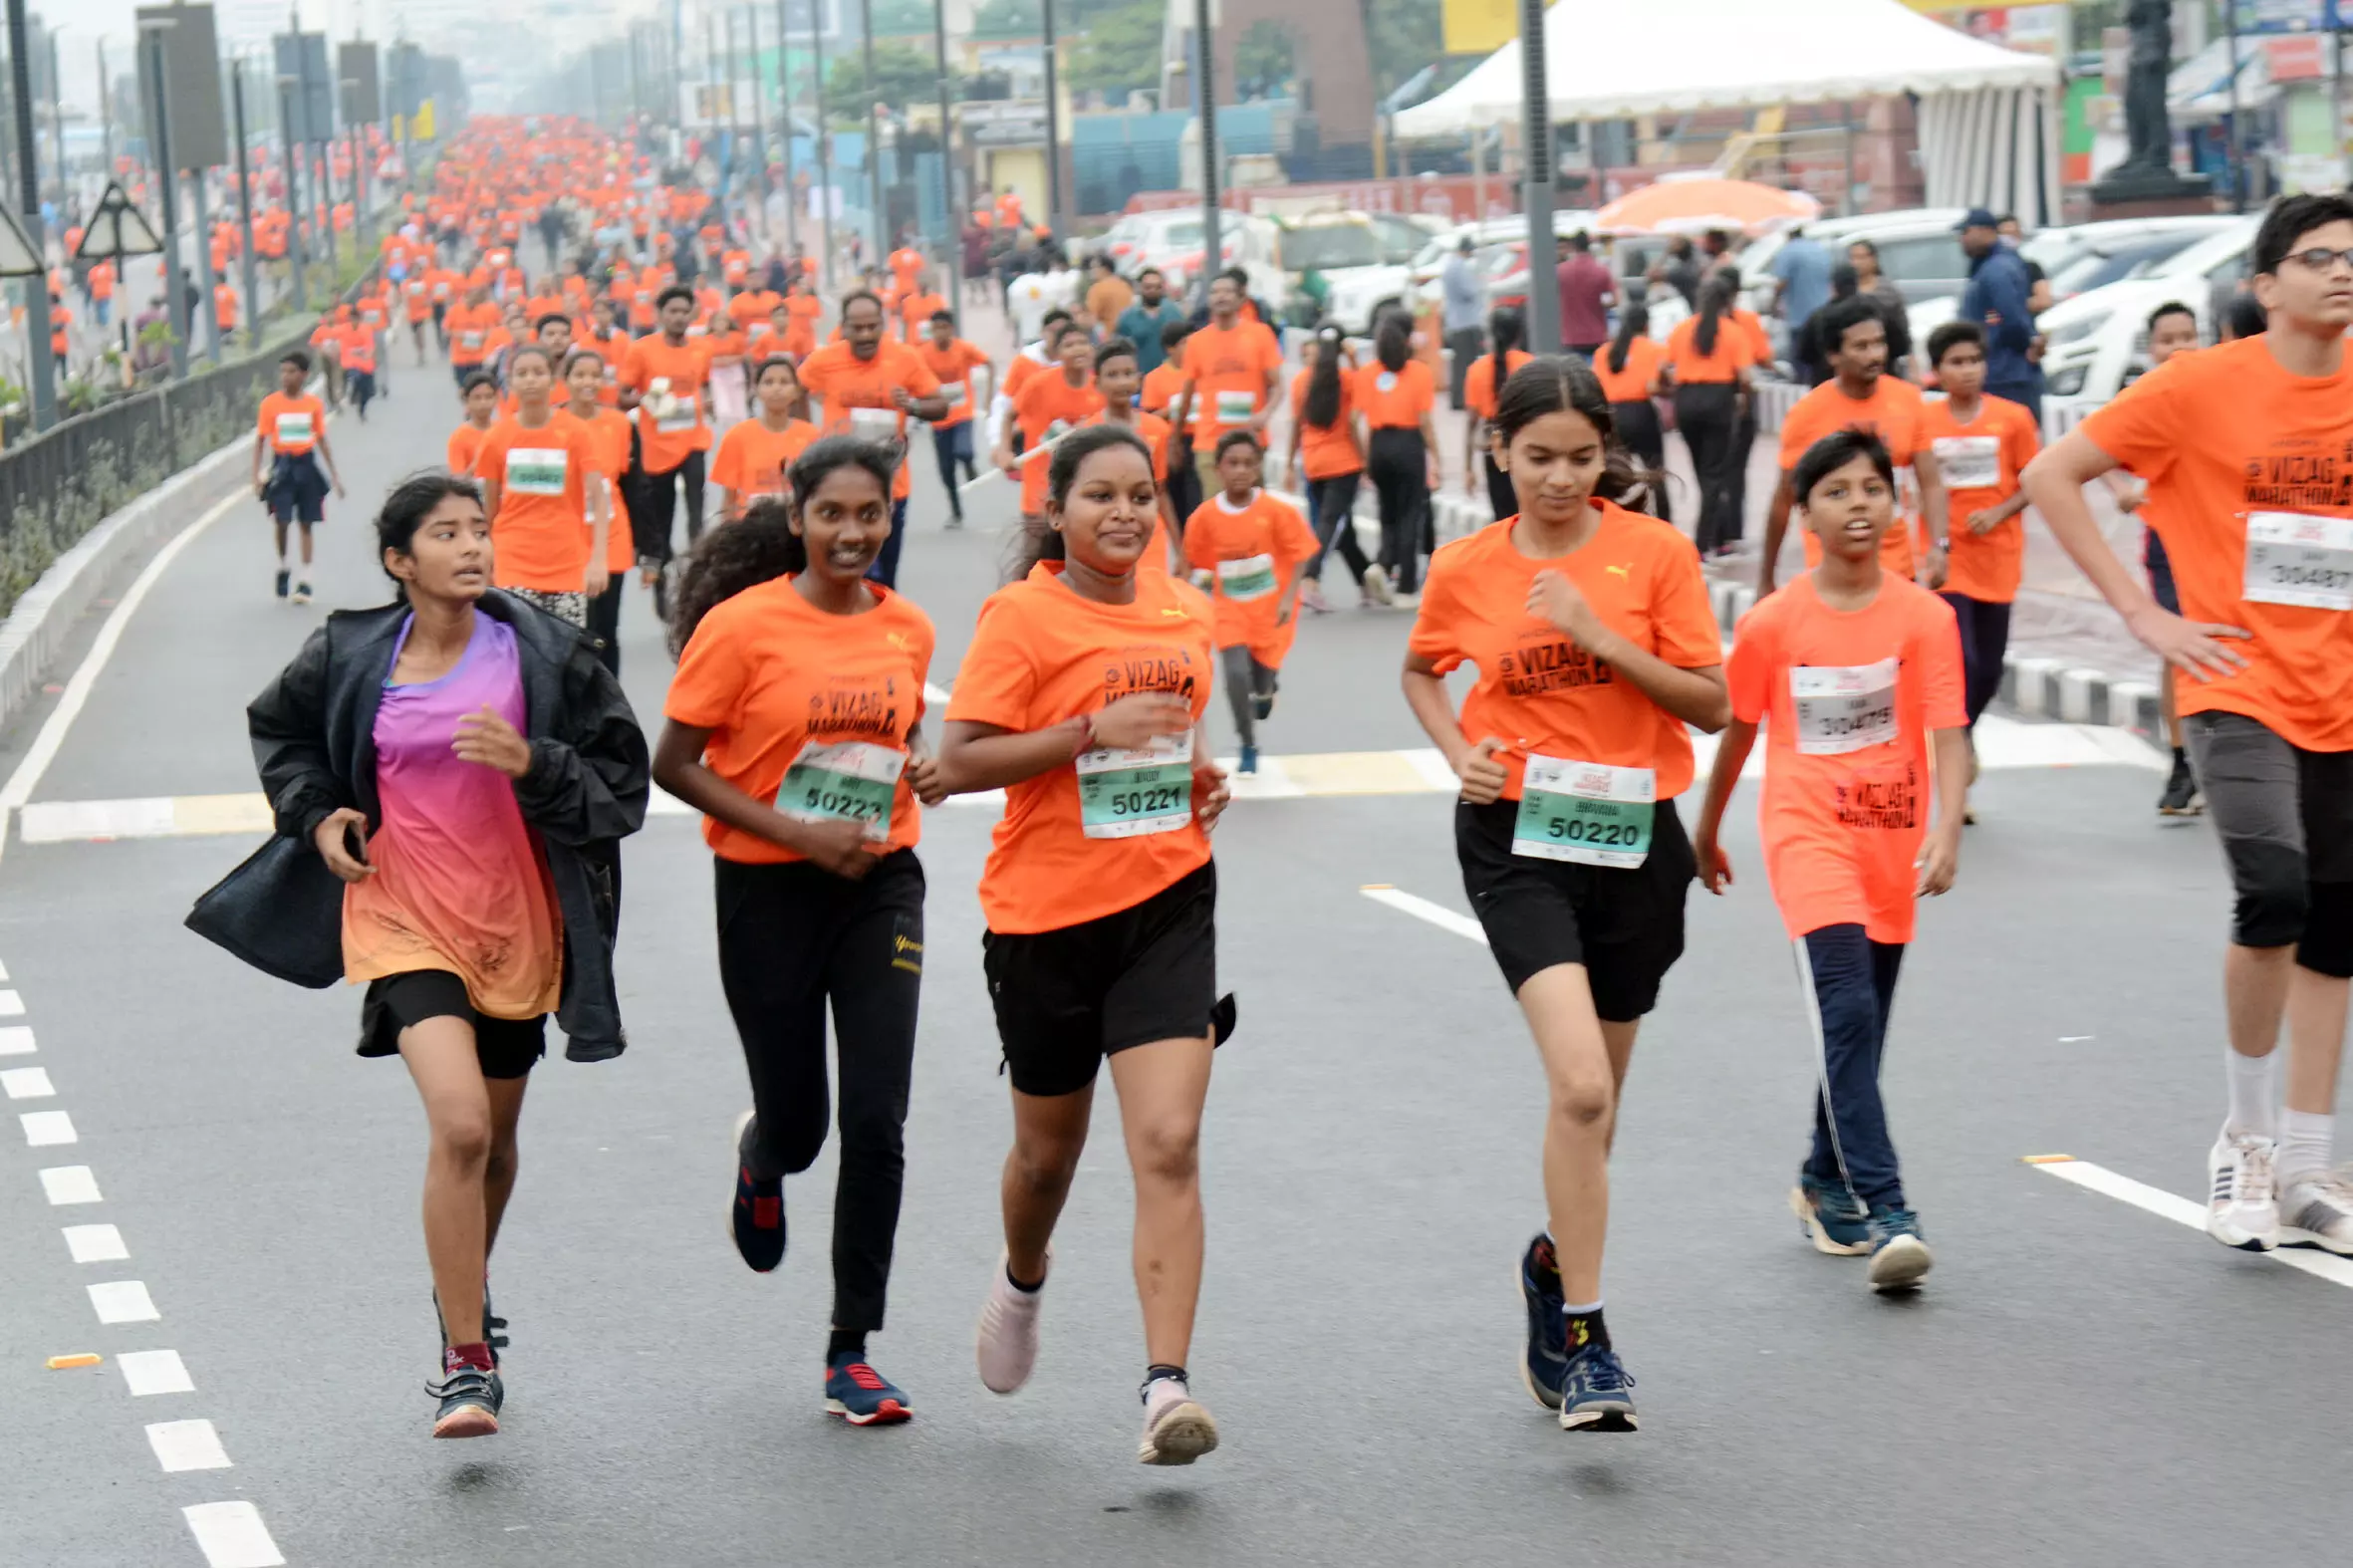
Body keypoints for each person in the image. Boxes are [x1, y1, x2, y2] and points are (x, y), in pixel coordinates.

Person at [207, 472, 648, 1439]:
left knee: (492, 1142)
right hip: (401, 914)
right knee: (457, 1127)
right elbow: (279, 729)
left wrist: (539, 763)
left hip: (518, 924)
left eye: (478, 529)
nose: (471, 545)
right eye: (444, 533)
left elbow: (626, 781)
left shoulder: (547, 652)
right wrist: (320, 815)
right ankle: (465, 1357)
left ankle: (464, 1285)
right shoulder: (353, 651)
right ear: (399, 561)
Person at [2019, 192, 2353, 1256]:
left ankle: (2307, 1165)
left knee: (2338, 925)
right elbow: (2051, 473)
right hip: (2232, 681)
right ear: (2264, 285)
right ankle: (2245, 1138)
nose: (2342, 274)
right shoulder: (2201, 384)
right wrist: (2138, 611)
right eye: (2318, 258)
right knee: (2276, 886)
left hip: (2342, 689)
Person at [1402, 355, 1727, 1433]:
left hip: (1635, 842)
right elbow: (1421, 668)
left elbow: (1711, 704)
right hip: (1518, 840)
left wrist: (1598, 633)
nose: (1556, 478)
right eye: (1536, 457)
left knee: (1600, 1109)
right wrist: (1459, 749)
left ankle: (1549, 1260)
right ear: (1498, 452)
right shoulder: (1465, 565)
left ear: (1606, 456)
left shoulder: (1654, 553)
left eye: (1580, 457)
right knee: (1580, 1087)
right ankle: (1587, 1338)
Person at [936, 423, 1235, 1467]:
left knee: (1167, 1140)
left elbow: (1181, 729)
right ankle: (1022, 1275)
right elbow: (960, 757)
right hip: (1043, 919)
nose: (1124, 513)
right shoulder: (1022, 614)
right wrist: (1084, 735)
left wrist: (1198, 774)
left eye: (1141, 494)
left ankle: (1165, 1387)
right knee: (1045, 1154)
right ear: (1056, 511)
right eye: (1100, 495)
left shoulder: (1184, 606)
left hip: (1166, 901)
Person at [654, 438, 944, 1427]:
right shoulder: (740, 629)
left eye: (871, 514)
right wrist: (796, 833)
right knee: (803, 1124)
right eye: (833, 514)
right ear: (798, 519)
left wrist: (911, 776)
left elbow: (887, 745)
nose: (854, 531)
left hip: (879, 883)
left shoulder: (908, 627)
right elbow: (675, 761)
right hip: (766, 890)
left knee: (875, 1118)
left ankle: (850, 1348)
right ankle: (762, 1157)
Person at [1693, 429, 1967, 1292]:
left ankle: (1820, 1177)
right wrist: (1705, 832)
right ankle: (1889, 1210)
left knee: (1863, 1025)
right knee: (1846, 1008)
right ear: (1805, 512)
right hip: (1807, 835)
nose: (1859, 504)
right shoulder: (1776, 623)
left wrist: (1948, 828)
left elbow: (1950, 737)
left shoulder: (1925, 617)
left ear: (1894, 506)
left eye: (1872, 490)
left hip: (1891, 839)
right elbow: (1738, 733)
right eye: (1837, 491)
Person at [1919, 321, 2039, 785]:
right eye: (1956, 362)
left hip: (1998, 557)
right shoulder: (1925, 422)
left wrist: (2000, 512)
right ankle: (1955, 751)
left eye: (1974, 360)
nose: (1968, 370)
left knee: (1989, 667)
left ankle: (1963, 733)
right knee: (1961, 658)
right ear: (1936, 371)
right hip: (1945, 559)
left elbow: (2034, 479)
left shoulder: (2012, 418)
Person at [1760, 297, 1948, 596]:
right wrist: (1766, 576)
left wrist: (1939, 546)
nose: (1875, 354)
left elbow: (1931, 483)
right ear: (1834, 355)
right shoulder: (1806, 414)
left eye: (1879, 343)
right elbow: (1784, 500)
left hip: (1897, 571)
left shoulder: (1908, 400)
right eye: (1861, 347)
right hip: (1830, 575)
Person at [2103, 301, 2208, 816]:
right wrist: (2123, 487)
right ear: (2151, 348)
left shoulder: (2218, 393)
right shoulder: (2141, 401)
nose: (2180, 347)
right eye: (2169, 339)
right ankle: (2181, 762)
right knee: (2176, 650)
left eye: (2189, 335)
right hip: (2166, 547)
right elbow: (2094, 451)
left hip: (2221, 545)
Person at [1183, 431, 1319, 774]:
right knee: (1234, 675)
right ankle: (1247, 742)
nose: (1240, 470)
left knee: (1260, 679)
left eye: (1248, 463)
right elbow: (1192, 563)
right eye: (1233, 463)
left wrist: (1290, 597)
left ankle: (1267, 688)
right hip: (1229, 610)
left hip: (1272, 609)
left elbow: (1300, 553)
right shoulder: (1204, 517)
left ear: (1258, 468)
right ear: (1218, 469)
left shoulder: (1276, 511)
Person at [797, 292, 951, 590]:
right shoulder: (824, 361)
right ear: (844, 328)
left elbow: (941, 405)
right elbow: (797, 388)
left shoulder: (904, 358)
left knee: (884, 576)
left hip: (889, 486)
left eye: (872, 326)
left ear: (883, 325)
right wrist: (804, 433)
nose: (866, 334)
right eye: (858, 327)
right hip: (836, 486)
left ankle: (878, 626)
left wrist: (912, 406)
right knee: (848, 573)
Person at [468, 346, 614, 630]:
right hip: (513, 559)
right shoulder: (496, 438)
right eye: (522, 373)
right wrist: (484, 562)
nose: (530, 380)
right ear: (510, 383)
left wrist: (598, 559)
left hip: (567, 560)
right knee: (519, 648)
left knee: (566, 650)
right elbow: (488, 510)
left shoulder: (576, 432)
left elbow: (598, 498)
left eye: (538, 372)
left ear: (553, 379)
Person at [620, 285, 716, 582]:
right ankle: (662, 571)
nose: (679, 317)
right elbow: (622, 396)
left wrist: (707, 400)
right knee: (663, 515)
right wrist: (648, 399)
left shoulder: (702, 349)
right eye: (673, 311)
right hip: (657, 446)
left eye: (684, 311)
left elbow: (704, 382)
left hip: (693, 440)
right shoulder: (641, 350)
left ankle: (699, 565)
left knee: (696, 506)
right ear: (660, 315)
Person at [1664, 277, 1755, 558]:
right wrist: (1743, 399)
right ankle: (1703, 542)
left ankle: (1720, 536)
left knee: (1703, 472)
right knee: (1715, 473)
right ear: (1728, 302)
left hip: (1687, 401)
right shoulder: (1733, 332)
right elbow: (1746, 377)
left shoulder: (1682, 330)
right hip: (1719, 401)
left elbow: (1665, 367)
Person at [1172, 275, 1283, 503]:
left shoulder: (1260, 335)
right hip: (1210, 442)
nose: (1220, 296)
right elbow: (1187, 394)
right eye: (1215, 292)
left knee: (1253, 510)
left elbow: (1279, 386)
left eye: (1227, 291)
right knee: (1216, 510)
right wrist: (1176, 437)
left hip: (1250, 441)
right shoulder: (1196, 342)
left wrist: (1265, 413)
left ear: (1241, 298)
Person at [1355, 310, 1441, 606]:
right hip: (1408, 445)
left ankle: (1382, 564)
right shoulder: (1419, 372)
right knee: (1410, 515)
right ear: (1407, 340)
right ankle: (1405, 586)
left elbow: (1356, 419)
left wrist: (1365, 457)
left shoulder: (1367, 374)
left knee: (1387, 513)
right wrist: (1437, 457)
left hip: (1379, 445)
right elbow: (1426, 422)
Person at [561, 348, 637, 676]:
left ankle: (611, 703)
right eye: (580, 375)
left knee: (606, 629)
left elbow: (631, 485)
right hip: (565, 539)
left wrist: (651, 549)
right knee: (574, 631)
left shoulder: (619, 423)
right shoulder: (554, 423)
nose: (588, 382)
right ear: (565, 381)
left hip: (611, 537)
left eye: (595, 375)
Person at [1288, 325, 1374, 611]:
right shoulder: (1348, 379)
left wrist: (1289, 463)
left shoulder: (1301, 381)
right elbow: (1360, 403)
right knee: (1330, 523)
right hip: (1343, 463)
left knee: (1342, 526)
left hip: (1313, 462)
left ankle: (1366, 582)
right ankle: (1310, 579)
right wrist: (1364, 462)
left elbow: (1295, 425)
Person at [1081, 336, 1182, 576]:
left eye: (1128, 374)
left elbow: (1160, 492)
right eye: (1112, 375)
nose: (1121, 382)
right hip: (1106, 531)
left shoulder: (1158, 429)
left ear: (1139, 380)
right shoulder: (1089, 433)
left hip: (1148, 533)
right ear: (1097, 383)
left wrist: (1179, 548)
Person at [252, 351, 346, 606]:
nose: (286, 377)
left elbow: (321, 439)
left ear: (304, 375)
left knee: (306, 522)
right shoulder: (270, 404)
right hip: (282, 466)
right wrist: (256, 476)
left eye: (292, 372)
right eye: (283, 372)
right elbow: (260, 441)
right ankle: (283, 566)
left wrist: (334, 476)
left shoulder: (313, 405)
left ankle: (306, 579)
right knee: (281, 520)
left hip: (306, 464)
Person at [995, 322, 1105, 535]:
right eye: (1069, 345)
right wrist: (1004, 451)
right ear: (1057, 354)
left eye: (1083, 342)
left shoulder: (1100, 387)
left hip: (1085, 488)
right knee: (1036, 560)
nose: (1078, 349)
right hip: (1040, 487)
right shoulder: (1038, 384)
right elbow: (1008, 416)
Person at [1957, 208, 2044, 420]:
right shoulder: (1988, 265)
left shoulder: (1998, 269)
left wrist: (2025, 344)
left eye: (1965, 232)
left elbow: (2012, 318)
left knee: (2013, 438)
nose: (1962, 239)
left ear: (1985, 231)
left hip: (2006, 375)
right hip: (2000, 371)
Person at [710, 356, 819, 523]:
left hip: (796, 528)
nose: (777, 388)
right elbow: (728, 500)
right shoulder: (737, 436)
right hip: (751, 528)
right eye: (768, 382)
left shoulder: (811, 436)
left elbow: (817, 492)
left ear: (796, 391)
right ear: (756, 389)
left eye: (784, 382)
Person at [1593, 304, 1670, 524]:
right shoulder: (1654, 349)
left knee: (1616, 476)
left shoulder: (1603, 352)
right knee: (1656, 474)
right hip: (1642, 413)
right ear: (1646, 325)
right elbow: (1653, 386)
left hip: (1612, 415)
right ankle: (1664, 523)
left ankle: (1616, 522)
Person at [917, 311, 991, 526]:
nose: (940, 333)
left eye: (944, 327)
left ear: (952, 329)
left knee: (964, 450)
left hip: (962, 412)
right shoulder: (923, 353)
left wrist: (987, 399)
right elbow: (914, 377)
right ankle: (956, 510)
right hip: (939, 416)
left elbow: (989, 363)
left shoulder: (964, 348)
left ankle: (969, 463)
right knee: (946, 470)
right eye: (936, 329)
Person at [1462, 307, 1533, 520]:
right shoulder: (1529, 364)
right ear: (1518, 333)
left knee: (1502, 515)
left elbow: (1471, 424)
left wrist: (1467, 468)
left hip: (1492, 446)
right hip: (1525, 440)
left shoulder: (1476, 369)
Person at [1768, 224, 1834, 383]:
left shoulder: (1788, 251)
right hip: (1824, 314)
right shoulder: (1819, 249)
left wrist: (1773, 303)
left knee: (1801, 363)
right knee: (1821, 361)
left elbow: (1781, 282)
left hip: (1800, 318)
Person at [1846, 239, 1915, 375]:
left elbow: (1904, 330)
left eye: (1861, 257)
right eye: (1852, 258)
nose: (1856, 263)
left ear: (1873, 259)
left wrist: (1913, 368)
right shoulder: (1846, 291)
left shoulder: (1888, 291)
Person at [1440, 235, 1487, 405]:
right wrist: (1479, 285)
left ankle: (1457, 399)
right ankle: (1463, 399)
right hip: (1466, 321)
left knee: (1459, 363)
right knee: (1467, 364)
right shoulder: (1460, 268)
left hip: (1456, 321)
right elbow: (1469, 291)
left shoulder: (1450, 266)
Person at [1115, 269, 1186, 377]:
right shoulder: (1128, 317)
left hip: (1171, 377)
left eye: (1157, 287)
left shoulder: (1174, 314)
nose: (1153, 290)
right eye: (1148, 287)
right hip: (1139, 378)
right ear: (1140, 287)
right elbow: (1120, 350)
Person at [1555, 232, 1615, 359]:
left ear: (1574, 246)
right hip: (1597, 335)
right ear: (1589, 245)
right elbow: (1614, 300)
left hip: (1569, 336)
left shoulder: (1561, 271)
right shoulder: (1601, 270)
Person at [448, 373, 501, 475]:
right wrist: (480, 462)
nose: (483, 402)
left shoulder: (503, 431)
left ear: (496, 398)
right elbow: (458, 480)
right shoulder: (459, 438)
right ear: (466, 400)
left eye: (488, 397)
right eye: (477, 397)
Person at [1084, 253, 1134, 331]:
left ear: (1104, 269)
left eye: (1093, 268)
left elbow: (1091, 317)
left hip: (1109, 334)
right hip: (1127, 333)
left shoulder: (1097, 289)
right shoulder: (1125, 285)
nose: (1091, 271)